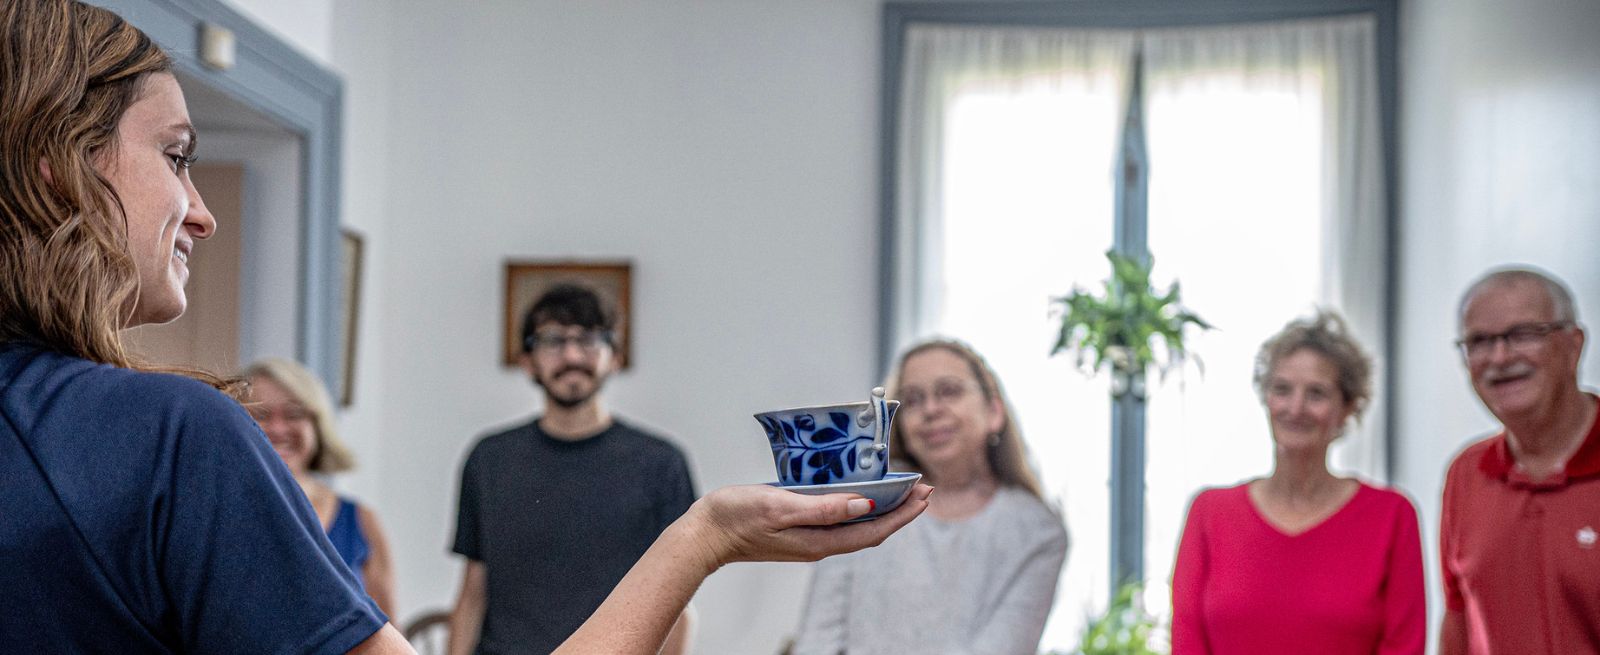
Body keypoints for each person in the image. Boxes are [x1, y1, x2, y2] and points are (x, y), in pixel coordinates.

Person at [0, 2, 930, 653]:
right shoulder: (173, 436)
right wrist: (710, 535)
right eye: (175, 156)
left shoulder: (650, 458)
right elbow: (475, 588)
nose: (201, 212)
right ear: (56, 163)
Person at [448, 283, 698, 655]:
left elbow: (679, 601)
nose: (571, 354)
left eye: (588, 339)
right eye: (553, 340)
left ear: (614, 357)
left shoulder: (661, 464)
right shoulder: (489, 459)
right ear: (528, 361)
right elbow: (473, 591)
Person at [791, 339, 1068, 655]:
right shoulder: (863, 497)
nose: (931, 409)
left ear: (993, 412)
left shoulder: (1037, 531)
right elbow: (818, 639)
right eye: (913, 400)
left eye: (949, 390)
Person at [1171, 310, 1424, 655]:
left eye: (1316, 393)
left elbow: (1404, 646)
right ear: (1266, 398)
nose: (1296, 407)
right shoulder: (1209, 512)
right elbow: (1188, 641)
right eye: (1282, 389)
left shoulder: (1392, 516)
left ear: (1347, 408)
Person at [1439, 267, 1599, 655]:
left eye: (1524, 334)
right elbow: (1458, 625)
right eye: (1479, 341)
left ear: (1573, 345)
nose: (1500, 356)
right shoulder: (1466, 475)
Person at [245, 357, 398, 617]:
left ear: (318, 426)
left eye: (294, 414)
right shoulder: (218, 512)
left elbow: (389, 629)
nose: (278, 428)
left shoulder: (361, 520)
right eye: (261, 415)